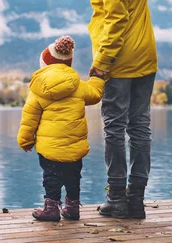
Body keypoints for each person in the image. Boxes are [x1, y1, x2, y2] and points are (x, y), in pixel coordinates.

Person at [64, 0, 158, 219]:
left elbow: (116, 19)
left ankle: (117, 197)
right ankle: (136, 200)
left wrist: (101, 64)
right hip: (146, 56)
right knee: (140, 126)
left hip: (119, 59)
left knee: (115, 127)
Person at [17, 35, 105, 222]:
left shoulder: (38, 89)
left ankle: (51, 208)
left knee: (51, 177)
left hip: (49, 148)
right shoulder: (78, 86)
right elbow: (96, 94)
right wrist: (97, 77)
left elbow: (29, 117)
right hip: (74, 146)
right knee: (74, 177)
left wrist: (25, 140)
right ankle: (72, 208)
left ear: (45, 63)